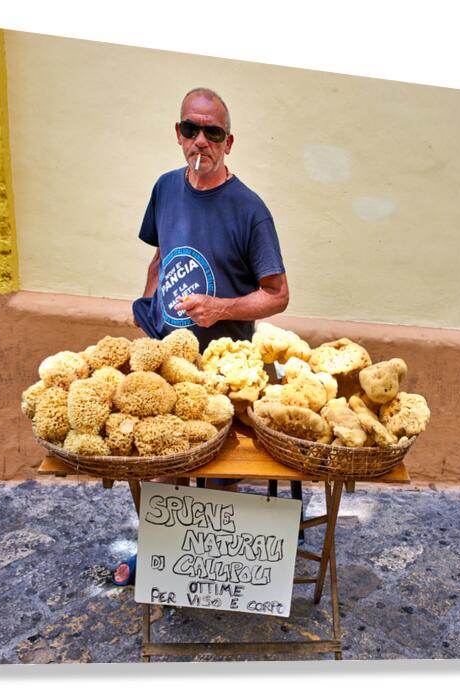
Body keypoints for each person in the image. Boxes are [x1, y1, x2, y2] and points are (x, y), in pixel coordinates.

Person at [114, 88, 291, 585]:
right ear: (178, 133)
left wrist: (221, 308)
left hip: (222, 372)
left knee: (219, 474)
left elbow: (277, 295)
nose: (200, 141)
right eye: (191, 129)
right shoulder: (166, 188)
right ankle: (159, 559)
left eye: (212, 133)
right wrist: (149, 306)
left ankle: (214, 574)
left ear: (228, 142)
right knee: (161, 460)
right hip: (171, 360)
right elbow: (159, 255)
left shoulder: (249, 209)